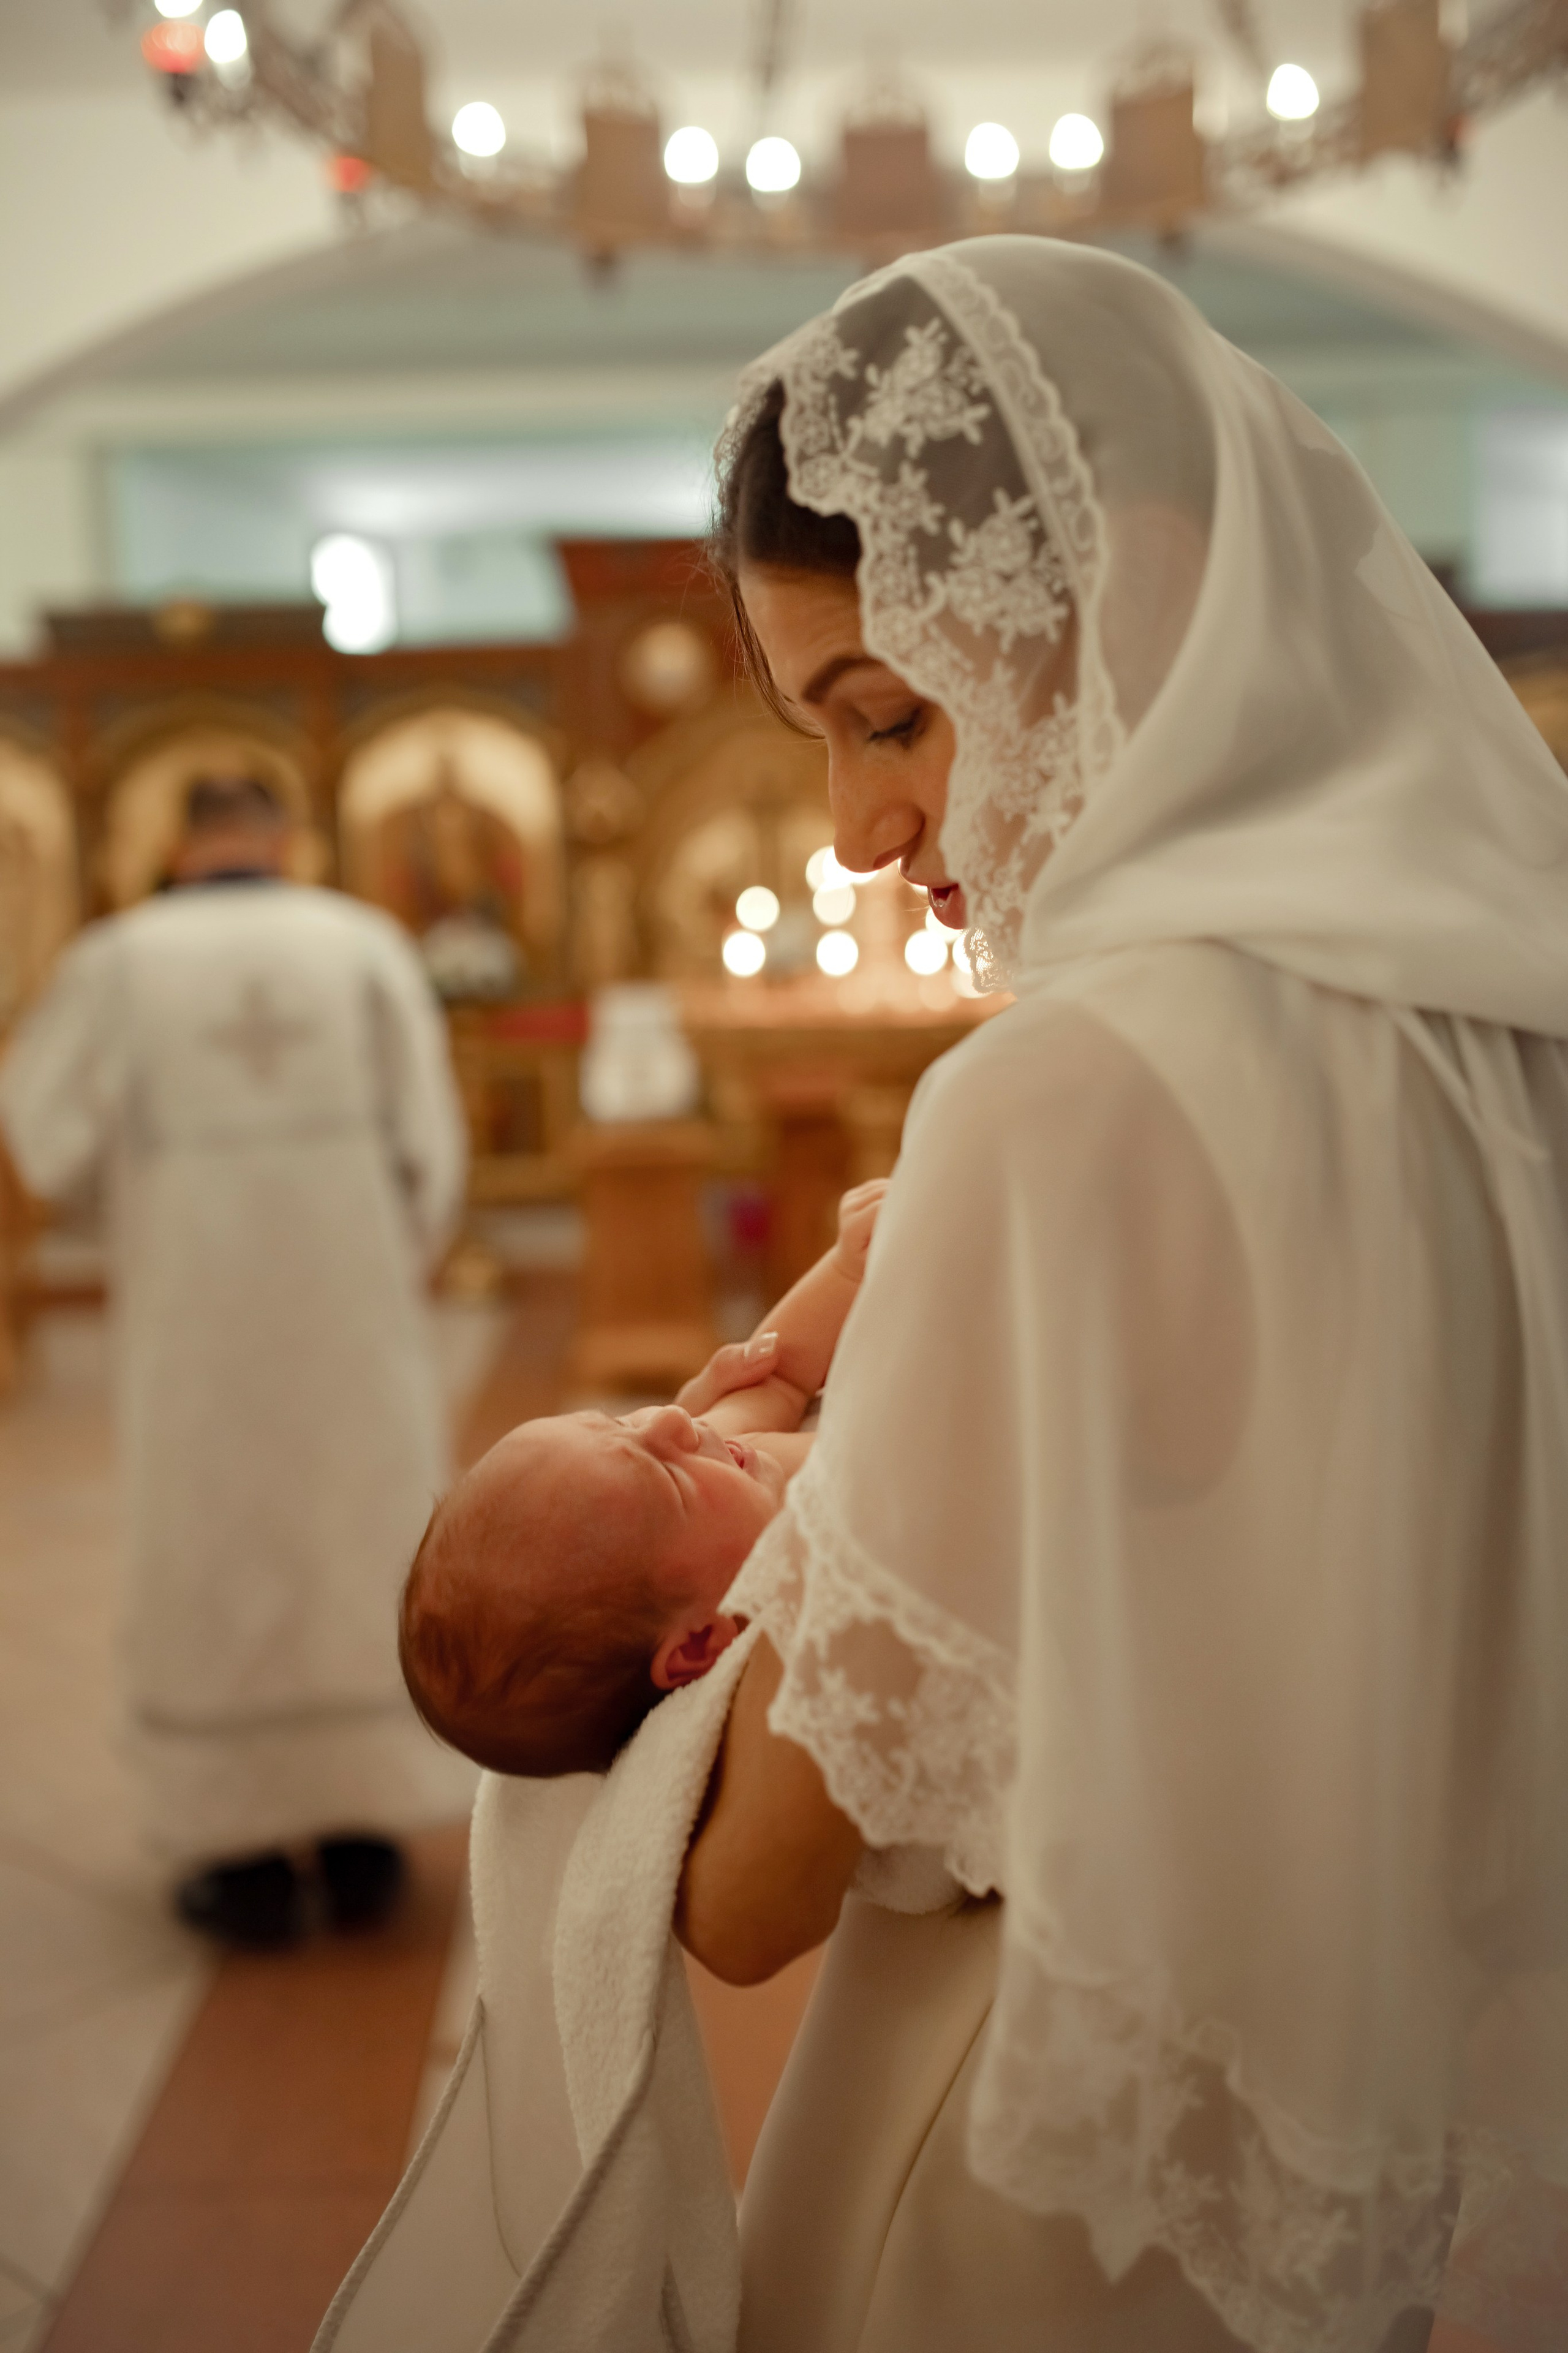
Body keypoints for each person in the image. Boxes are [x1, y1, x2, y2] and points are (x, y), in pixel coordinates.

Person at [671, 240, 1568, 2353]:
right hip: (1370, 2147)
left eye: (885, 716)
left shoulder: (1053, 1106)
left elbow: (748, 1897)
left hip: (1023, 2163)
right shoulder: (1515, 1034)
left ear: (1137, 579)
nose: (862, 828)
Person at [0, 773, 476, 1945]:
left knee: (209, 1544)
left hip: (193, 1326)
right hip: (349, 1316)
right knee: (357, 1532)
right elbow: (435, 1149)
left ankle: (239, 1854)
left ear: (178, 839)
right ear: (284, 835)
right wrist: (385, 1262)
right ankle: (368, 1835)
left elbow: (41, 1141)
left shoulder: (116, 961)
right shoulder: (359, 943)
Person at [398, 1181, 886, 1778]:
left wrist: (845, 1266)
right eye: (670, 1481)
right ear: (700, 1645)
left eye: (620, 1422)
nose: (675, 1420)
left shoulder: (733, 1461)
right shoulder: (806, 1592)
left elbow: (778, 1377)